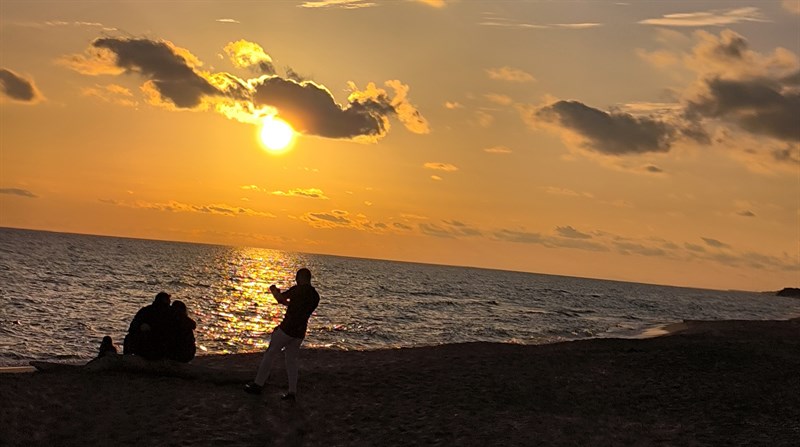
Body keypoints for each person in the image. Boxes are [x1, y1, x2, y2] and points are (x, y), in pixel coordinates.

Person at [244, 268, 320, 400]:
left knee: (270, 353)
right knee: (291, 360)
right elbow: (295, 306)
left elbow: (280, 299)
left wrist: (273, 290)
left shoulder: (297, 290)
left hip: (288, 328)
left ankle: (258, 384)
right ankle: (292, 392)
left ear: (300, 278)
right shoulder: (315, 296)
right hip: (300, 332)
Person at [123, 291, 172, 360]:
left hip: (154, 346)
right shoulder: (170, 313)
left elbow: (132, 327)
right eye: (168, 300)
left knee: (128, 338)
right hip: (156, 346)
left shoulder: (145, 311)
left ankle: (127, 359)